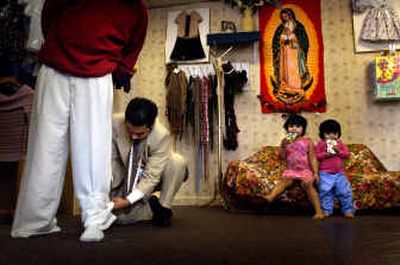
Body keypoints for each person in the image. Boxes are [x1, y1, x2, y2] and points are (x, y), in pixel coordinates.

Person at [11, 0, 148, 242]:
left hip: (97, 73)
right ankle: (35, 220)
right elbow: (49, 17)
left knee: (93, 149)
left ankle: (95, 217)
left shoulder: (136, 6)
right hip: (55, 66)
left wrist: (123, 69)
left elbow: (135, 42)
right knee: (45, 147)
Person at [110, 97, 188, 227]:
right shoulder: (113, 123)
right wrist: (103, 194)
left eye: (139, 134)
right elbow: (108, 162)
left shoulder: (161, 135)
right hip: (122, 178)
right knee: (121, 219)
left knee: (176, 161)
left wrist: (128, 201)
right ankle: (151, 205)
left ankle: (163, 209)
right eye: (130, 131)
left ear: (151, 126)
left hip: (148, 177)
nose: (134, 137)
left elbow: (152, 176)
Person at [264, 114, 324, 219]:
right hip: (291, 170)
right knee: (285, 181)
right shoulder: (286, 141)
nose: (294, 129)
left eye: (298, 126)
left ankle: (319, 211)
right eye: (291, 126)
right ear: (287, 128)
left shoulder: (307, 141)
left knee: (307, 184)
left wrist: (315, 173)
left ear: (303, 129)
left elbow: (313, 158)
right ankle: (270, 197)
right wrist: (283, 147)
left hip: (305, 170)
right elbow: (282, 157)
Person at [271, 8, 312, 105]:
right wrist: (283, 40)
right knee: (284, 70)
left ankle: (295, 87)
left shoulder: (298, 26)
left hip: (294, 53)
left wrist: (293, 38)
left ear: (290, 15)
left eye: (286, 15)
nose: (284, 18)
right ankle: (284, 86)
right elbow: (276, 41)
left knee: (293, 69)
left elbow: (303, 41)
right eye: (283, 16)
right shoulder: (281, 28)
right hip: (284, 53)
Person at [315, 119, 354, 218]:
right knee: (325, 192)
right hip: (325, 173)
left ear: (338, 134)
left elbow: (347, 155)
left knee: (345, 192)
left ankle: (348, 210)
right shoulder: (320, 144)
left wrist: (339, 151)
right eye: (328, 133)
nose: (332, 136)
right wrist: (325, 154)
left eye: (335, 133)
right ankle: (327, 210)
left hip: (339, 174)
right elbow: (316, 156)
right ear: (322, 134)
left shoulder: (340, 143)